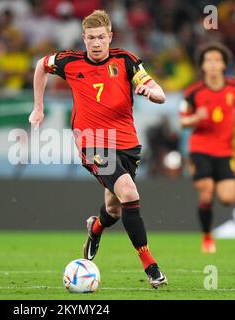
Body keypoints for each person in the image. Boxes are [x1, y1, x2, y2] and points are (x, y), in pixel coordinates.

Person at [29, 10, 167, 288]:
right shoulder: (69, 62)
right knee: (129, 191)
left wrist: (151, 93)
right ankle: (150, 265)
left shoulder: (125, 61)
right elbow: (41, 66)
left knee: (115, 209)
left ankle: (95, 228)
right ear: (83, 38)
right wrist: (38, 107)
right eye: (90, 38)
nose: (95, 43)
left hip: (128, 145)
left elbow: (160, 93)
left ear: (110, 37)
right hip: (91, 142)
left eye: (101, 37)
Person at [179, 42, 235, 253]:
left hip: (225, 150)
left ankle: (216, 178)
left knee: (228, 199)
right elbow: (182, 121)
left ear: (224, 65)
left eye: (217, 60)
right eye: (208, 60)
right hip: (200, 148)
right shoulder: (193, 92)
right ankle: (207, 237)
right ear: (202, 66)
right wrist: (195, 118)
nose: (212, 64)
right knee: (206, 193)